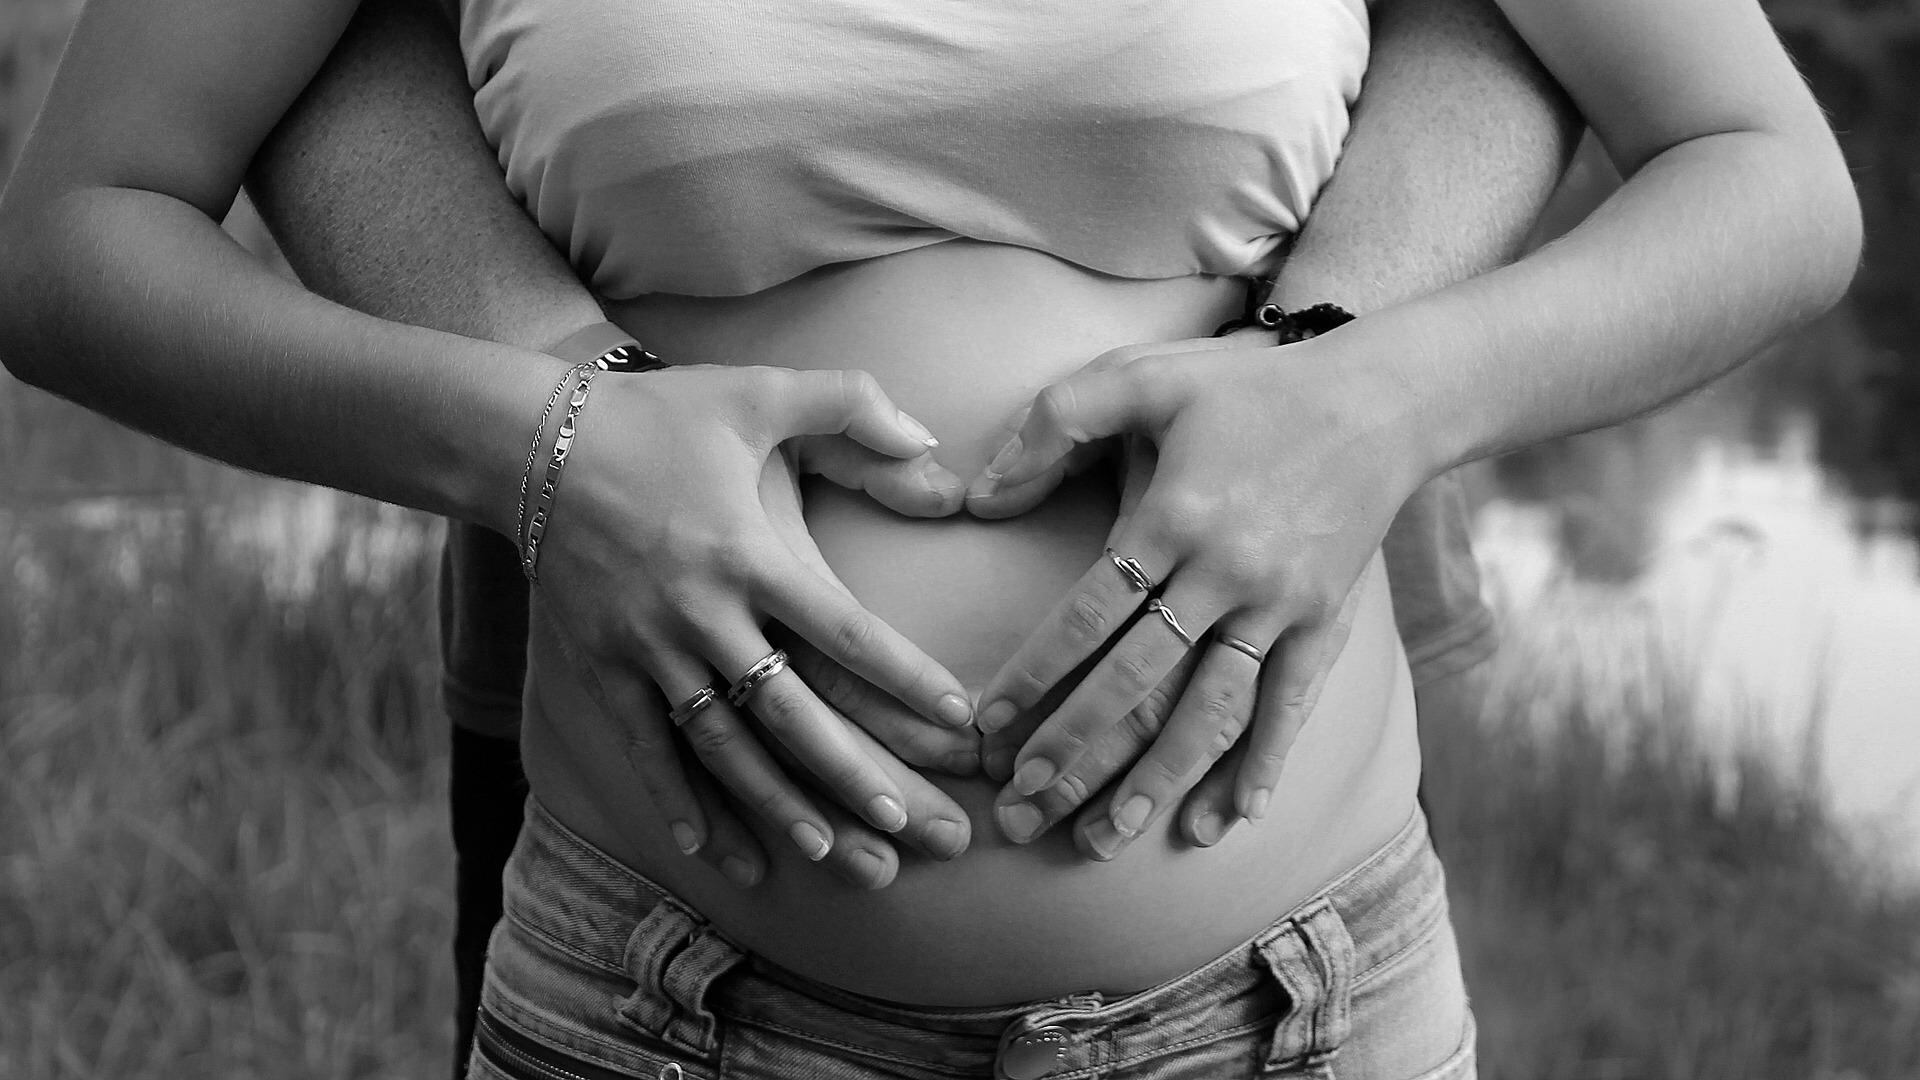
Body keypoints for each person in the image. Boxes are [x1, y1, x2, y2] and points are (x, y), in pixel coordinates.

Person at [0, 0, 1858, 1075]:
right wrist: (552, 443)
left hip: (1295, 1007)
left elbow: (1765, 178)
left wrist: (1376, 398)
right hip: (666, 1001)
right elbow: (82, 229)